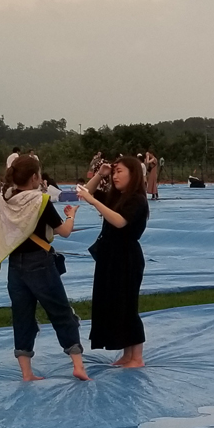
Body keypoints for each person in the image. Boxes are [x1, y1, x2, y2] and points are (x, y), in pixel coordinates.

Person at [0, 156, 88, 382]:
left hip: (15, 265)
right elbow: (64, 231)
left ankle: (26, 373)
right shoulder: (40, 201)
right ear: (34, 177)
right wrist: (71, 215)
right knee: (60, 311)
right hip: (39, 262)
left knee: (22, 316)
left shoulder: (6, 199)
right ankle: (78, 365)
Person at [76, 157, 149, 368]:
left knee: (127, 306)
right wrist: (101, 174)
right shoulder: (116, 197)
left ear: (133, 174)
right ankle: (127, 354)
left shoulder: (137, 199)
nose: (115, 176)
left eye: (119, 172)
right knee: (115, 305)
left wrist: (95, 203)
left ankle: (137, 356)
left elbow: (119, 221)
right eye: (114, 172)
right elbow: (85, 191)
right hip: (110, 257)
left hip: (126, 258)